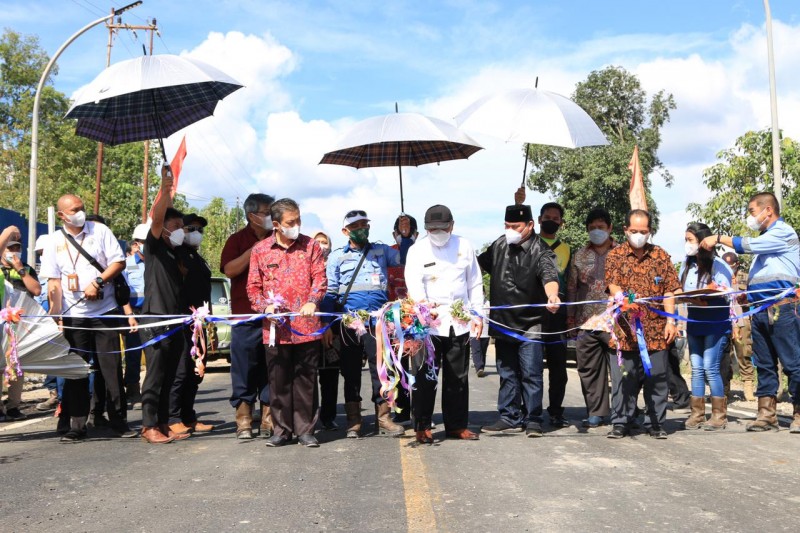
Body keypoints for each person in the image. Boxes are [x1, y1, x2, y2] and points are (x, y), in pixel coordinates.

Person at [700, 192, 800, 433]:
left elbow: (748, 245)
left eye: (752, 212)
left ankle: (798, 412)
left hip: (783, 309)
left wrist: (719, 238)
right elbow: (766, 275)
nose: (750, 217)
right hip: (760, 310)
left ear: (768, 210)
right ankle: (766, 415)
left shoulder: (783, 232)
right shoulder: (767, 240)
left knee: (793, 363)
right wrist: (749, 294)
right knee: (764, 364)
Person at [40, 195, 136, 441]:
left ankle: (118, 420)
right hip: (74, 316)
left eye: (82, 208)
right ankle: (78, 424)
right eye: (75, 210)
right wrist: (56, 315)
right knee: (76, 371)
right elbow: (53, 281)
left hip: (105, 312)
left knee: (111, 368)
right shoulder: (53, 241)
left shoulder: (100, 230)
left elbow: (119, 261)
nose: (80, 213)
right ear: (62, 215)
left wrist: (98, 281)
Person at [247, 199, 327, 448]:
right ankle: (281, 431)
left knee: (305, 379)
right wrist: (264, 307)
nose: (297, 225)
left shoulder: (311, 246)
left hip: (306, 327)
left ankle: (306, 430)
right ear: (276, 224)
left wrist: (313, 301)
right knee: (278, 380)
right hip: (275, 329)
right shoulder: (260, 250)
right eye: (291, 222)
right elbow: (252, 287)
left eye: (298, 220)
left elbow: (320, 279)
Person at [477, 204, 561, 437]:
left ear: (530, 226)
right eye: (506, 226)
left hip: (530, 324)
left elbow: (549, 276)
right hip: (503, 322)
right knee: (507, 373)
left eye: (515, 226)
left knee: (531, 373)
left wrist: (552, 295)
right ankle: (508, 416)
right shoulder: (498, 245)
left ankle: (533, 419)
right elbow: (476, 268)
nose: (510, 230)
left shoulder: (541, 250)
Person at [404, 205, 484, 443]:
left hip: (459, 321)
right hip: (427, 323)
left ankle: (457, 426)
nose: (437, 232)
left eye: (442, 228)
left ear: (452, 225)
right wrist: (424, 308)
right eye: (432, 229)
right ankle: (422, 425)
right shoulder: (417, 250)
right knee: (424, 377)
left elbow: (475, 284)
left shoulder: (465, 246)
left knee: (457, 377)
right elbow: (414, 284)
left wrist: (477, 315)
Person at [323, 210, 405, 438]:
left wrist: (404, 237)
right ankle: (354, 421)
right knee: (350, 372)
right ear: (345, 231)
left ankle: (384, 417)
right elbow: (330, 293)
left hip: (377, 321)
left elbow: (405, 257)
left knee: (381, 369)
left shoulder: (381, 251)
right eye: (356, 225)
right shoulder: (337, 256)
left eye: (365, 224)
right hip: (349, 323)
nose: (362, 229)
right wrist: (327, 326)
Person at [605, 209, 680, 439]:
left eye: (644, 231)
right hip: (625, 330)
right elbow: (613, 285)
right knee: (624, 378)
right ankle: (621, 421)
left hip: (657, 330)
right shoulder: (615, 255)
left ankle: (655, 422)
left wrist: (671, 321)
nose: (639, 235)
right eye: (634, 231)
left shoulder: (661, 256)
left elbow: (670, 290)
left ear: (650, 232)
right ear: (626, 230)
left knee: (656, 378)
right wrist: (623, 299)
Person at [138, 167, 191, 444]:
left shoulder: (174, 253)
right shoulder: (155, 247)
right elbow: (158, 217)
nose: (182, 231)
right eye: (177, 226)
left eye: (183, 227)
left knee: (171, 375)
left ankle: (162, 422)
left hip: (175, 320)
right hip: (155, 319)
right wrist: (165, 187)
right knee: (155, 376)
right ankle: (148, 426)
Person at [220, 193, 275, 439]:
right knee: (243, 369)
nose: (271, 217)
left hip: (272, 317)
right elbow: (229, 270)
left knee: (271, 368)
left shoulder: (278, 239)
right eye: (267, 212)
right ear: (252, 216)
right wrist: (254, 251)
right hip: (244, 317)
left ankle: (268, 418)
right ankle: (243, 419)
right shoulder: (237, 240)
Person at [566, 207, 616, 428]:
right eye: (593, 228)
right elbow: (572, 288)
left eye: (601, 227)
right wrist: (570, 318)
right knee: (588, 369)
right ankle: (596, 412)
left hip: (617, 324)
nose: (597, 231)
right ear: (587, 230)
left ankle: (623, 412)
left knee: (621, 370)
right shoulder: (579, 255)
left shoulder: (622, 253)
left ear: (610, 228)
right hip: (586, 322)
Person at [680, 223, 733, 431]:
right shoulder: (686, 266)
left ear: (703, 241)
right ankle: (697, 414)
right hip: (694, 321)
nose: (687, 244)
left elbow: (727, 291)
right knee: (696, 368)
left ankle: (719, 415)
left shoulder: (719, 265)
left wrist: (709, 292)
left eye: (691, 240)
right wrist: (691, 300)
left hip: (715, 321)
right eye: (685, 240)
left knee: (711, 367)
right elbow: (680, 292)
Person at [168, 214, 215, 436]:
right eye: (190, 228)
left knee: (196, 372)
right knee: (180, 371)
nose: (196, 233)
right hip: (182, 320)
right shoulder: (174, 255)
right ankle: (173, 417)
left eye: (200, 229)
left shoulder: (197, 257)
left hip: (200, 322)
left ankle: (188, 416)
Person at [537, 202, 571, 428]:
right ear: (538, 220)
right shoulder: (529, 244)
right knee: (531, 368)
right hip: (533, 316)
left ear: (561, 223)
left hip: (558, 316)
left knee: (559, 368)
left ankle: (556, 411)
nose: (551, 220)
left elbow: (571, 282)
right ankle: (529, 411)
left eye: (555, 218)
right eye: (547, 216)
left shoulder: (568, 249)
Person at [0, 227, 39, 422]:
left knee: (16, 364)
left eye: (17, 247)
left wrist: (20, 270)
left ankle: (14, 405)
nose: (14, 251)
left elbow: (37, 290)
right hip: (1, 324)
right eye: (10, 248)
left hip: (19, 324)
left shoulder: (26, 269)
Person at [313, 230, 340, 431]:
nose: (322, 245)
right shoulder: (304, 264)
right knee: (309, 376)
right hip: (310, 329)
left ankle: (328, 416)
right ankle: (311, 417)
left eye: (325, 242)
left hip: (332, 328)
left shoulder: (335, 265)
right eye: (318, 241)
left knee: (330, 376)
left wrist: (328, 324)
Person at [721, 251, 755, 401]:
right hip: (723, 321)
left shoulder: (747, 278)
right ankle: (724, 389)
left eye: (731, 265)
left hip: (742, 320)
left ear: (737, 264)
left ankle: (748, 386)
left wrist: (746, 298)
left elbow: (755, 298)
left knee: (744, 353)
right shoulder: (718, 277)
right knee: (725, 356)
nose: (729, 268)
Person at [123, 223, 149, 410]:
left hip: (154, 314)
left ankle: (151, 391)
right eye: (143, 241)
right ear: (137, 243)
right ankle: (132, 390)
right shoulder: (126, 265)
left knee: (154, 354)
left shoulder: (159, 262)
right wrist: (129, 314)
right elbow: (122, 292)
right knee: (133, 354)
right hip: (134, 314)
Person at [469, 300, 490, 377]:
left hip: (485, 332)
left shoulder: (488, 304)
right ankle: (479, 367)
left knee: (483, 351)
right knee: (476, 350)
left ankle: (481, 368)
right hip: (474, 332)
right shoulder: (471, 303)